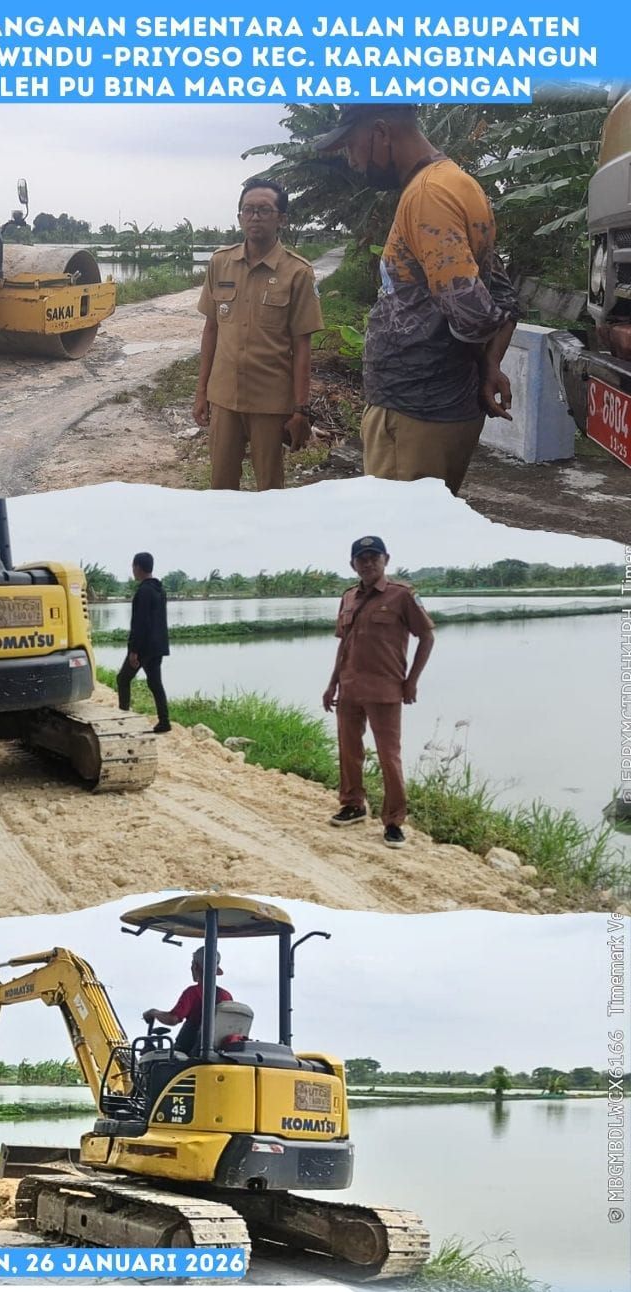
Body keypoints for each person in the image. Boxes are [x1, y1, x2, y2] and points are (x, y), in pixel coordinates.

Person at [314, 105, 522, 495]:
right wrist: (488, 363)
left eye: (352, 146)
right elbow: (503, 293)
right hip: (431, 411)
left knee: (398, 544)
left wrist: (479, 360)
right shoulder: (455, 182)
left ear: (381, 132)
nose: (353, 160)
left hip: (416, 415)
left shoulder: (428, 195)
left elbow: (473, 314)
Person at [194, 177, 324, 490]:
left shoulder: (297, 272)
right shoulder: (220, 263)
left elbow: (302, 345)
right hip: (224, 396)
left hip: (270, 400)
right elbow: (211, 330)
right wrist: (202, 392)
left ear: (281, 219)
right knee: (220, 486)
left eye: (264, 210)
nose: (255, 217)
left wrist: (300, 409)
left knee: (269, 488)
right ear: (239, 216)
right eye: (248, 210)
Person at [322, 536, 435, 849]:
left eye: (374, 557)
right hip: (349, 688)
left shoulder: (402, 596)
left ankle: (394, 821)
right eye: (362, 558)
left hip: (385, 690)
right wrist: (332, 683)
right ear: (352, 564)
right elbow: (344, 644)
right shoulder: (347, 597)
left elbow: (426, 637)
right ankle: (353, 805)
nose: (368, 563)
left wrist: (411, 680)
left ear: (386, 559)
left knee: (389, 755)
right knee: (348, 750)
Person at [116, 552, 170, 733]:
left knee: (123, 679)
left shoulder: (143, 592)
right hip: (158, 646)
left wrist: (134, 651)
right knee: (155, 683)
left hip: (144, 648)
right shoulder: (159, 590)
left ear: (137, 567)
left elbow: (139, 624)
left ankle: (123, 718)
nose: (132, 570)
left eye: (133, 567)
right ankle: (164, 721)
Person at [143, 947, 234, 1055]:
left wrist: (153, 1012)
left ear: (195, 966)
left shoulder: (193, 992)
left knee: (152, 1058)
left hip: (190, 1052)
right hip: (217, 1052)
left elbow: (173, 1019)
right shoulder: (226, 995)